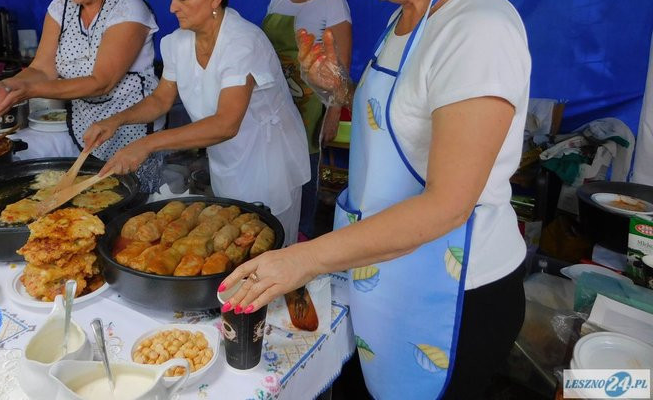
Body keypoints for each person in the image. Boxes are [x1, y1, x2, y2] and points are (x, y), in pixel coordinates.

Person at [220, 0, 531, 398]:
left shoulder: (479, 28)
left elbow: (449, 204)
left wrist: (306, 258)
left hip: (450, 295)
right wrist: (337, 91)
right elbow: (398, 119)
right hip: (379, 272)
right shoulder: (401, 18)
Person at [84, 0, 310, 244]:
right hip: (226, 157)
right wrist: (115, 121)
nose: (172, 8)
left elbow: (226, 124)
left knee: (265, 244)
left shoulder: (243, 42)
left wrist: (147, 144)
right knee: (230, 235)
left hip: (266, 161)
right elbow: (161, 100)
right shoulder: (178, 42)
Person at [0, 0, 164, 193]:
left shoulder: (128, 8)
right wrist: (7, 86)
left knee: (131, 196)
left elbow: (102, 82)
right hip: (86, 125)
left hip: (131, 125)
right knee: (95, 194)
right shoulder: (61, 7)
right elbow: (41, 69)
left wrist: (30, 91)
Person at [262, 0, 352, 240]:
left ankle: (302, 233)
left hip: (312, 102)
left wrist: (333, 113)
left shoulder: (333, 5)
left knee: (306, 168)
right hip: (277, 98)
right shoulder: (277, 2)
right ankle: (274, 229)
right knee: (277, 164)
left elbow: (342, 67)